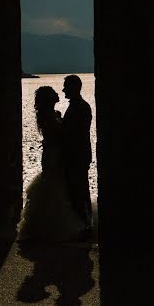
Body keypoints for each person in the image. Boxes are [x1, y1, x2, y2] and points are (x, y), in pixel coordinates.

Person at [17, 86, 86, 242]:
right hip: (53, 155)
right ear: (49, 98)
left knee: (55, 186)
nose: (58, 93)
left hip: (54, 154)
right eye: (53, 93)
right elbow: (57, 135)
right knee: (54, 186)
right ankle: (54, 228)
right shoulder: (47, 116)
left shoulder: (49, 115)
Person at [61, 74, 94, 240]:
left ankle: (85, 225)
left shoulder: (81, 108)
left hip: (77, 156)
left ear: (74, 88)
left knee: (79, 191)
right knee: (77, 191)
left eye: (66, 86)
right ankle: (83, 224)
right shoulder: (80, 106)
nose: (63, 89)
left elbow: (73, 134)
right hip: (78, 156)